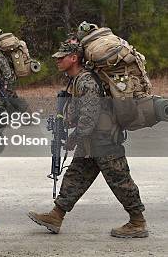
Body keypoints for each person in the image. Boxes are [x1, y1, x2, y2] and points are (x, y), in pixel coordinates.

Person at [28, 42, 148, 238]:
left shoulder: (86, 82)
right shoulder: (76, 80)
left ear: (74, 58)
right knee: (75, 176)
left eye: (62, 57)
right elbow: (79, 112)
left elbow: (89, 118)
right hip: (91, 142)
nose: (57, 60)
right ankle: (56, 215)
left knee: (120, 181)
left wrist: (73, 138)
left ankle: (138, 222)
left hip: (104, 140)